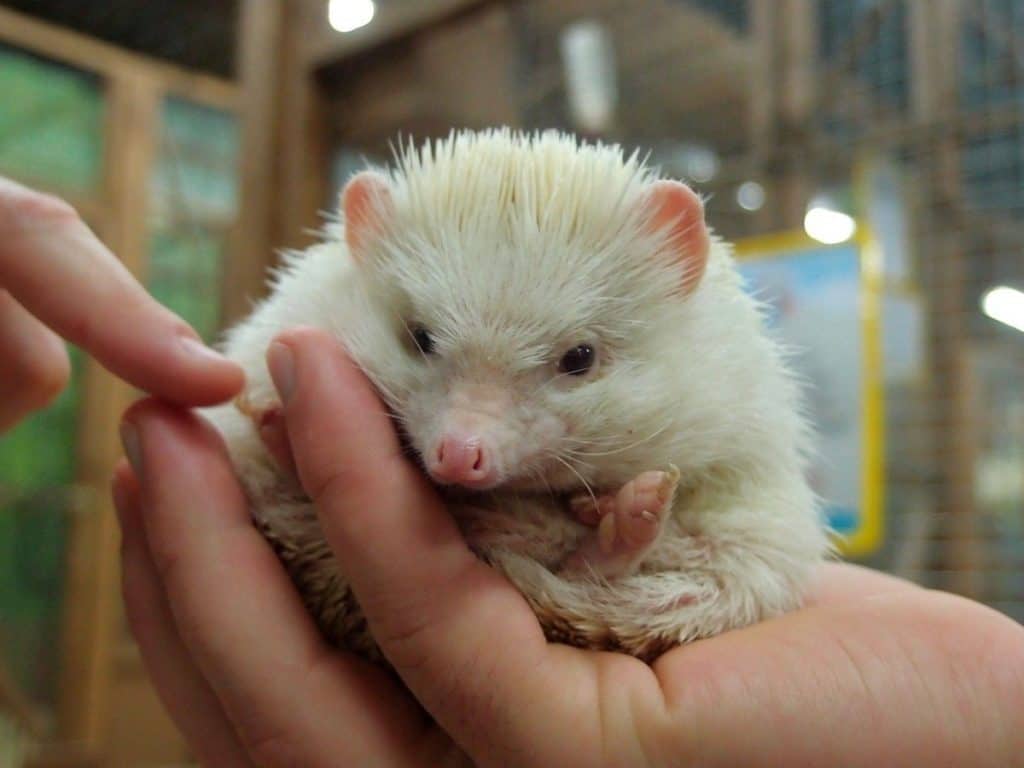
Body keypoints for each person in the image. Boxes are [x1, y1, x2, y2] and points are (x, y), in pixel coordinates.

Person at [4, 175, 1023, 767]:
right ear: (366, 242)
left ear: (677, 270)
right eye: (423, 345)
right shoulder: (330, 305)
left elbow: (749, 541)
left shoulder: (711, 377)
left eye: (574, 361)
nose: (464, 445)